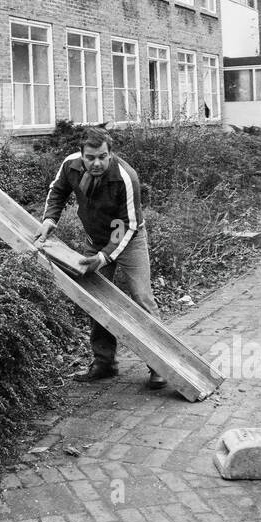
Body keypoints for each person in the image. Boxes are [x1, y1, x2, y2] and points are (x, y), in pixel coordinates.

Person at [35, 127, 165, 388]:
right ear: (81, 154)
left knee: (141, 297)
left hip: (129, 240)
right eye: (90, 157)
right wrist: (50, 218)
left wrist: (104, 258)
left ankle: (159, 364)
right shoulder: (70, 166)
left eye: (102, 157)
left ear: (110, 154)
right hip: (95, 240)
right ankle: (104, 363)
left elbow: (128, 225)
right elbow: (57, 191)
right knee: (97, 300)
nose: (96, 163)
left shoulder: (126, 178)